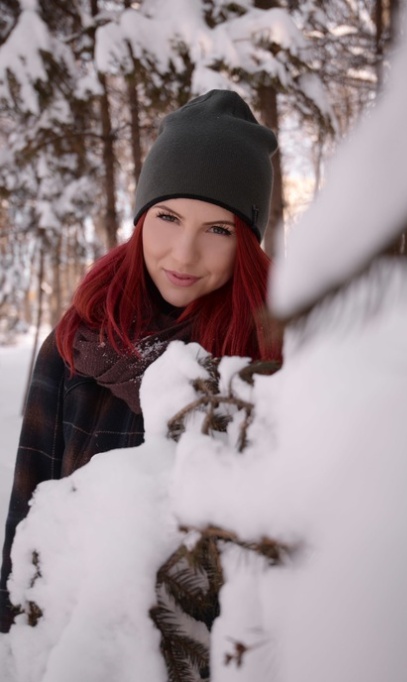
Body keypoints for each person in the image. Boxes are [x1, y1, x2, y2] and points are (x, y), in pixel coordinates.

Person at [0, 90, 280, 667]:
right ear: (140, 218)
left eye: (218, 229)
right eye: (168, 218)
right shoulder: (80, 338)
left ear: (246, 242)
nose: (184, 252)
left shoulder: (268, 360)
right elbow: (27, 514)